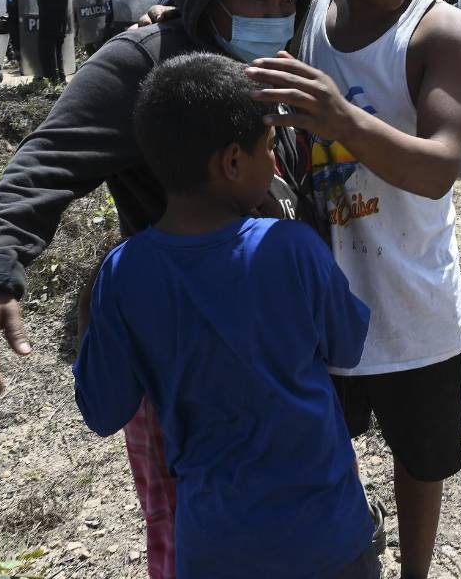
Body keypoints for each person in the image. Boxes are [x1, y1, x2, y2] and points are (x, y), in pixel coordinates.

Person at [0, 0, 320, 578]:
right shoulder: (142, 62)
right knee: (184, 521)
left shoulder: (282, 59)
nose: (273, 17)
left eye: (285, 1)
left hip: (273, 343)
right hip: (183, 353)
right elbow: (47, 161)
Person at [245, 0, 461, 579]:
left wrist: (339, 116)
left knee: (420, 460)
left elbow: (438, 166)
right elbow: (232, 19)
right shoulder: (303, 9)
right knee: (323, 447)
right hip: (320, 301)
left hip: (414, 303)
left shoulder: (440, 31)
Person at [74, 52, 379, 579]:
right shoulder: (293, 248)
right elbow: (348, 346)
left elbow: (103, 410)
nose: (276, 165)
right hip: (328, 536)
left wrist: (96, 308)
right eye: (268, 150)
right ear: (234, 162)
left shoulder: (124, 274)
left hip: (215, 548)